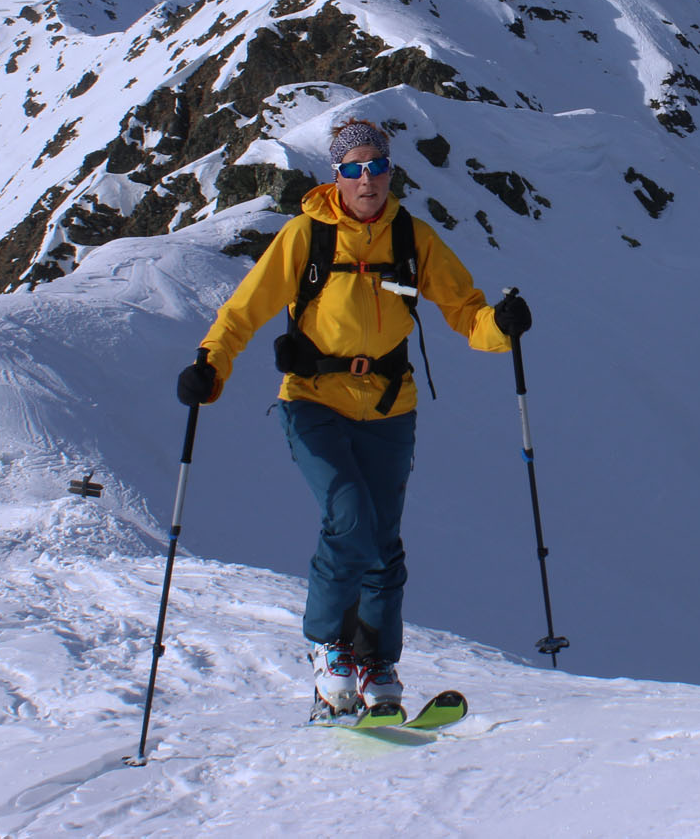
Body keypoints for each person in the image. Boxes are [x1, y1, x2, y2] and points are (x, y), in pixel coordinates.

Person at [175, 117, 531, 717]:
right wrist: (210, 367)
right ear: (335, 176)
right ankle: (328, 650)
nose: (367, 179)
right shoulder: (306, 236)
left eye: (377, 166)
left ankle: (375, 663)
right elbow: (243, 311)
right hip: (314, 400)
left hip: (390, 407)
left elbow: (467, 314)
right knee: (350, 518)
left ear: (390, 172)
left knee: (383, 542)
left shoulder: (413, 238)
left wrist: (503, 325)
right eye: (354, 169)